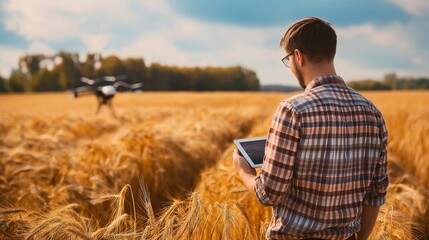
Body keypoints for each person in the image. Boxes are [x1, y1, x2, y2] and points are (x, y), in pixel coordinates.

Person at [233, 17, 388, 240]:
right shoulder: (372, 112)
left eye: (288, 59)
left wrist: (243, 170)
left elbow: (269, 193)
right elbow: (376, 193)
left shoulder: (293, 110)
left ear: (298, 56)